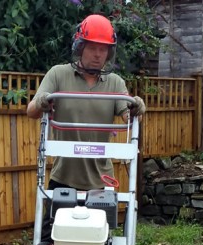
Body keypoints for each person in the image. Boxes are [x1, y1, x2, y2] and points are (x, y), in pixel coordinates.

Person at [27, 13, 146, 193]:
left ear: (109, 52)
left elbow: (128, 117)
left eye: (103, 49)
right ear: (80, 47)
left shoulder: (115, 83)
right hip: (63, 178)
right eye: (92, 48)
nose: (98, 55)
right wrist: (42, 102)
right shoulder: (58, 75)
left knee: (103, 223)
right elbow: (31, 111)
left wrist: (136, 108)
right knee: (52, 223)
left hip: (102, 181)